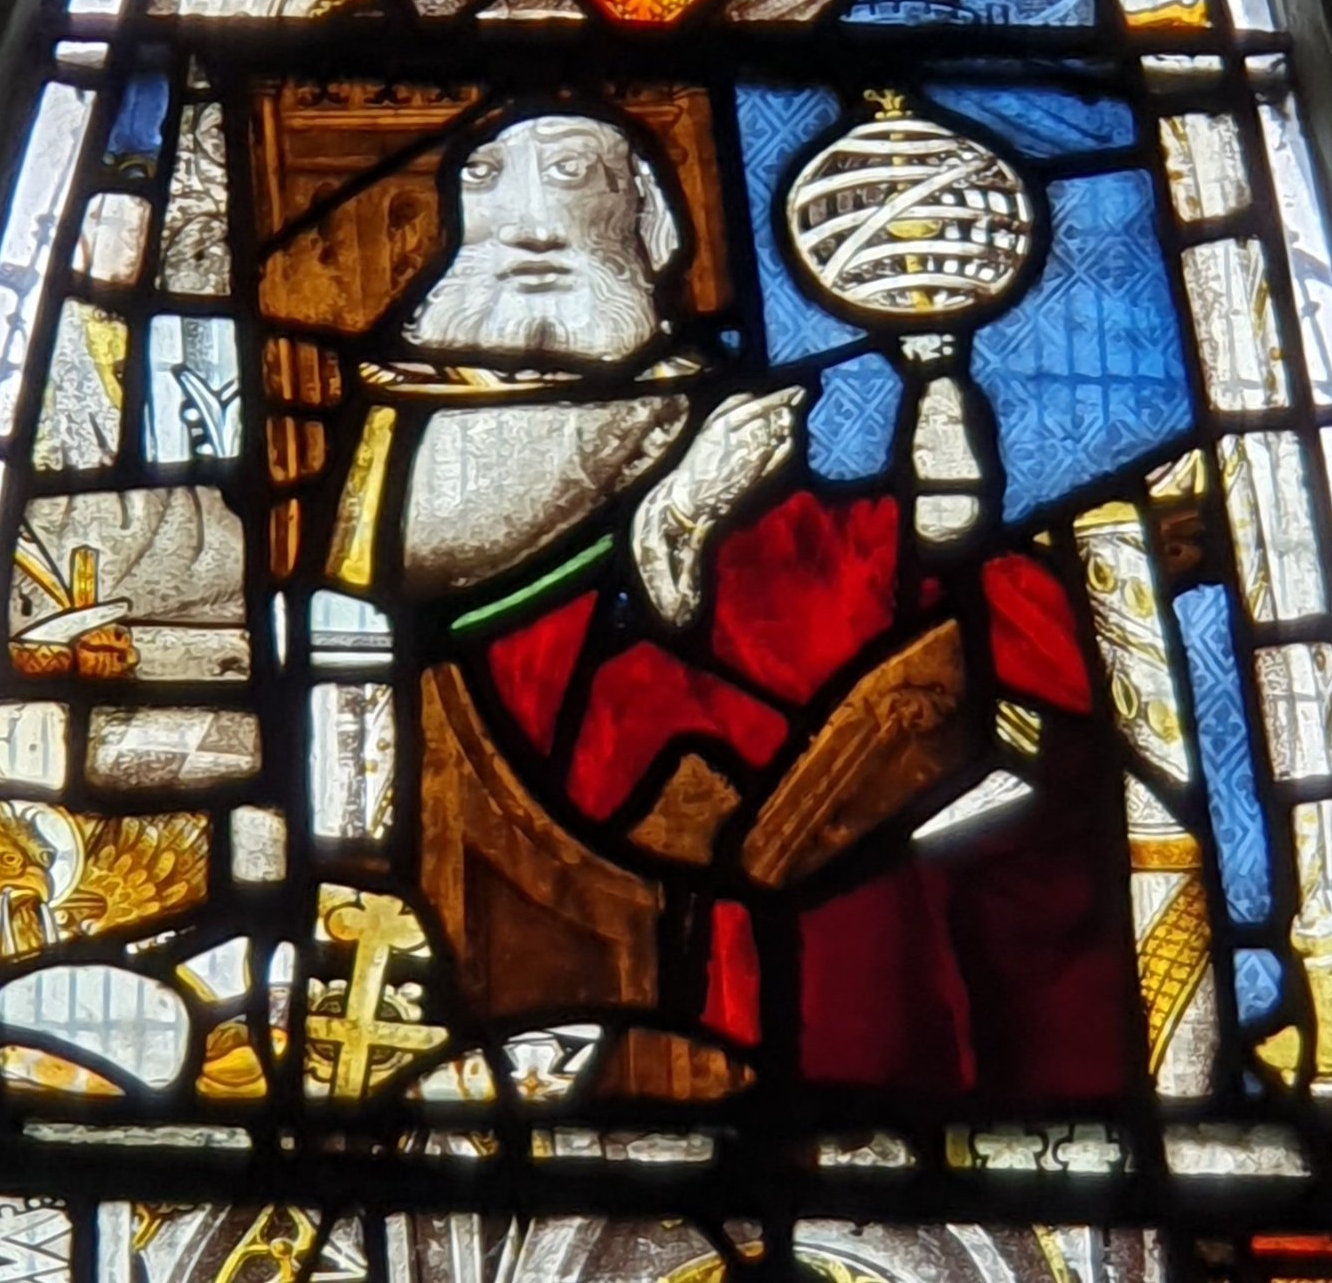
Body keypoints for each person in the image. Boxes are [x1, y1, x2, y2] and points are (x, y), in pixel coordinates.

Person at [317, 107, 1136, 1109]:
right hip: (562, 770)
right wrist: (678, 516)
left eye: (574, 173)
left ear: (649, 227)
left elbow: (809, 572)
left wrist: (928, 508)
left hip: (774, 764)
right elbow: (418, 602)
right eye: (486, 178)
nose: (526, 221)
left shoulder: (704, 392)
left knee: (1009, 669)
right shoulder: (412, 409)